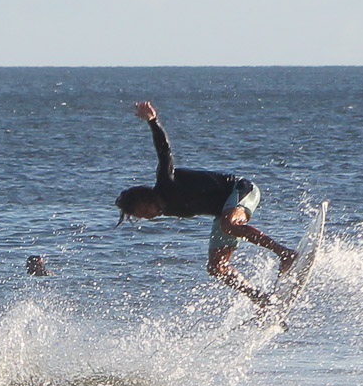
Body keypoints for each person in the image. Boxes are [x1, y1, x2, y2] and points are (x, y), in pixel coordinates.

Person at [116, 101, 295, 306]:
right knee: (216, 268)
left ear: (144, 198)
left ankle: (285, 253)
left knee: (229, 224)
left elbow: (164, 151)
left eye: (143, 211)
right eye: (142, 217)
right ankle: (261, 300)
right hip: (223, 212)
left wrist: (153, 121)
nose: (147, 217)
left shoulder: (165, 182)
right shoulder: (165, 210)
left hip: (241, 190)